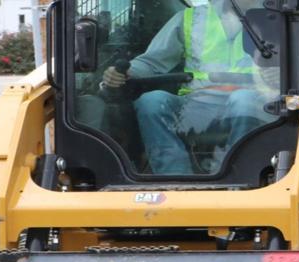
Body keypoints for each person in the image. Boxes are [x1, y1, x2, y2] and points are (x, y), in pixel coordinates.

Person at [99, 0, 280, 175]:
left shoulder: (279, 19)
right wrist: (125, 73)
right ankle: (174, 177)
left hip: (255, 103)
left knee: (243, 100)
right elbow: (151, 61)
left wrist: (280, 73)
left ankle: (238, 175)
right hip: (195, 104)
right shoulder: (189, 19)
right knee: (151, 101)